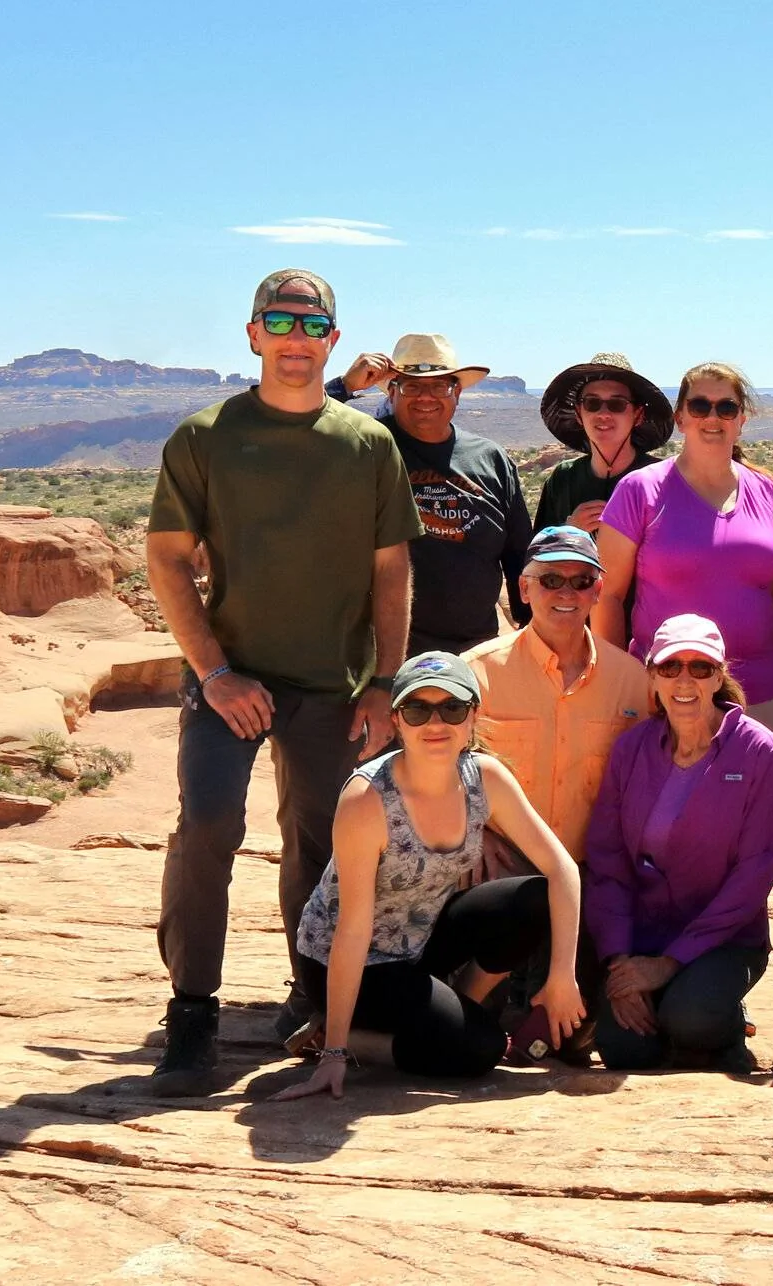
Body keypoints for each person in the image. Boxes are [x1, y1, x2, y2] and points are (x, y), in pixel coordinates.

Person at [143, 270, 423, 1095]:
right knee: (209, 826)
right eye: (279, 320)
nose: (296, 337)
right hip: (231, 679)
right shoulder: (205, 436)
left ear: (334, 340)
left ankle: (308, 996)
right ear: (253, 334)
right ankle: (192, 1011)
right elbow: (164, 559)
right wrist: (216, 673)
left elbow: (391, 571)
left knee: (320, 846)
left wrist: (384, 683)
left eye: (312, 324)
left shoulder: (367, 446)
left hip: (331, 683)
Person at [269, 653, 587, 1099]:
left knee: (534, 899)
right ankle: (342, 1037)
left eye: (452, 709)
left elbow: (562, 869)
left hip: (419, 942)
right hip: (356, 966)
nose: (435, 723)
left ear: (473, 715)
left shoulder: (486, 777)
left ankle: (459, 1010)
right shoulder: (367, 800)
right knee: (481, 1050)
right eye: (418, 710)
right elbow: (353, 929)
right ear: (398, 720)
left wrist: (561, 977)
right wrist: (335, 1055)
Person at [584, 615, 773, 1071]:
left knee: (692, 1017)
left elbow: (754, 875)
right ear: (652, 676)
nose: (685, 680)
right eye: (670, 667)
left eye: (700, 668)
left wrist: (669, 964)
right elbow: (607, 859)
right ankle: (676, 1021)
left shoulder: (760, 752)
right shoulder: (632, 748)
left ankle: (724, 1027)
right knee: (623, 1049)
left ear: (719, 676)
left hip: (727, 940)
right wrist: (622, 964)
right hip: (643, 938)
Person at [594, 363, 773, 734]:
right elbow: (607, 597)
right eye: (699, 406)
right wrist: (617, 683)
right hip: (663, 693)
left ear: (742, 419)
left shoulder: (770, 492)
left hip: (757, 696)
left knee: (749, 792)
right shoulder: (640, 491)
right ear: (680, 418)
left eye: (726, 407)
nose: (713, 417)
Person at [462, 525, 651, 861]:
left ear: (597, 591)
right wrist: (473, 834)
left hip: (596, 869)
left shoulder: (633, 682)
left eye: (581, 581)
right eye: (551, 580)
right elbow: (440, 773)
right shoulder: (477, 674)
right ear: (523, 588)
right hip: (504, 866)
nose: (567, 593)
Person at [343, 333, 531, 654]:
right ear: (392, 392)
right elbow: (300, 433)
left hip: (476, 653)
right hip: (384, 655)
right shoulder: (368, 447)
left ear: (456, 392)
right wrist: (343, 388)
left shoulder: (491, 458)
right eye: (411, 385)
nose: (426, 397)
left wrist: (530, 632)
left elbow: (519, 557)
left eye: (439, 385)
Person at [534, 353, 673, 533]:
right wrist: (569, 531)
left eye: (617, 404)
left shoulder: (662, 479)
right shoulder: (562, 479)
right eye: (592, 403)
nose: (603, 414)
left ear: (638, 415)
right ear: (578, 413)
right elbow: (538, 553)